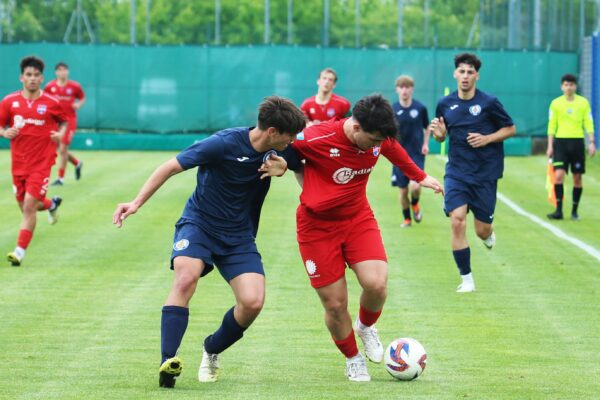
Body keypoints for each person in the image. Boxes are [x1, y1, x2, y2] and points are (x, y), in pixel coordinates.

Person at [112, 96, 306, 388]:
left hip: (239, 237)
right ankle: (168, 362)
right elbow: (170, 167)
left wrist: (286, 170)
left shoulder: (282, 151)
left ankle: (212, 349)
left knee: (253, 302)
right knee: (185, 278)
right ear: (272, 132)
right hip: (199, 225)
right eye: (290, 135)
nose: (294, 141)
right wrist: (136, 202)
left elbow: (306, 166)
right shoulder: (223, 144)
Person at [289, 94, 443, 382]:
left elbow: (394, 149)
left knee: (377, 284)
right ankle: (353, 358)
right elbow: (281, 147)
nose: (377, 145)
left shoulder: (378, 137)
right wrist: (280, 165)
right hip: (316, 228)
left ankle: (365, 326)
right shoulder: (314, 137)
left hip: (357, 218)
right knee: (335, 305)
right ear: (356, 127)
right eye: (373, 140)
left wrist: (419, 176)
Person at [430, 53, 516, 293]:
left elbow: (510, 128)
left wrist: (487, 138)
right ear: (455, 74)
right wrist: (438, 134)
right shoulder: (444, 103)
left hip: (485, 174)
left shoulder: (489, 103)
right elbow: (441, 136)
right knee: (457, 220)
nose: (465, 76)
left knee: (481, 230)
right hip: (457, 172)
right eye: (462, 71)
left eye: (470, 72)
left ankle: (488, 236)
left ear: (477, 75)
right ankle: (466, 278)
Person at [0, 56, 68, 266]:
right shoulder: (9, 102)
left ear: (41, 78)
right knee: (28, 206)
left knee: (29, 206)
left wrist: (60, 134)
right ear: (22, 77)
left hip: (42, 163)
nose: (32, 79)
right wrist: (5, 133)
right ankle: (52, 204)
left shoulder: (52, 103)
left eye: (36, 75)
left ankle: (19, 252)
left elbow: (64, 121)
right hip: (19, 164)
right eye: (28, 75)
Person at [546, 73, 595, 221]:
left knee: (577, 178)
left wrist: (592, 141)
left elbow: (588, 122)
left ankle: (574, 211)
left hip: (577, 143)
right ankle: (559, 210)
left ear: (575, 86)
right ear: (562, 87)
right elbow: (552, 125)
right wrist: (550, 145)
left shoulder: (583, 103)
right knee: (559, 176)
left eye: (571, 85)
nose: (568, 87)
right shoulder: (555, 103)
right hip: (560, 143)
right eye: (566, 85)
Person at [390, 75, 430, 228]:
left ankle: (415, 204)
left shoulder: (420, 108)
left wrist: (425, 144)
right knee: (402, 191)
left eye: (407, 87)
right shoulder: (393, 109)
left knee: (415, 186)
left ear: (412, 89)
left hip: (416, 154)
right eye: (401, 87)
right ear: (397, 89)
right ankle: (407, 219)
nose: (404, 90)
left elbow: (427, 127)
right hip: (399, 155)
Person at [45, 62, 85, 185]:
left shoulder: (74, 86)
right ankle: (77, 163)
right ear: (56, 72)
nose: (62, 72)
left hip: (69, 121)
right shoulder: (50, 86)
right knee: (60, 149)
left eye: (64, 70)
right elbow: (45, 100)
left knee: (62, 149)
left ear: (68, 72)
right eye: (60, 70)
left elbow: (82, 97)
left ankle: (60, 178)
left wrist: (78, 104)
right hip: (55, 121)